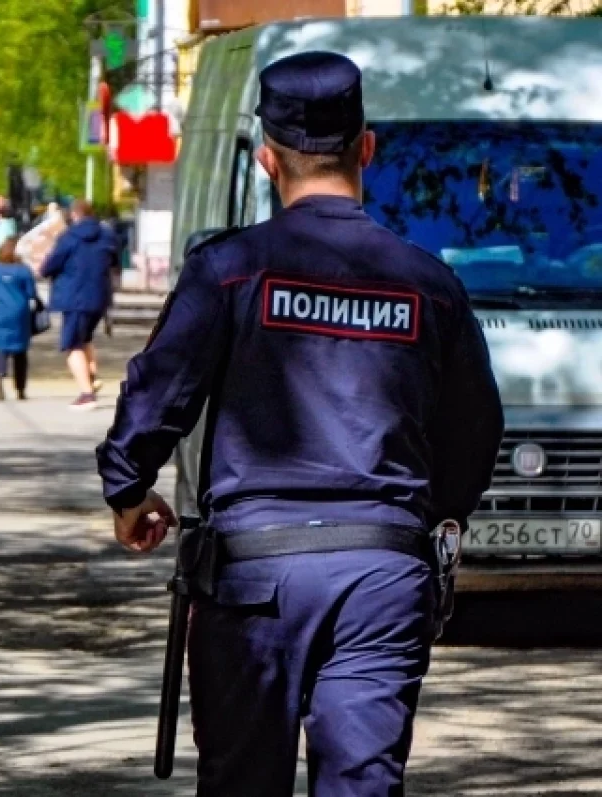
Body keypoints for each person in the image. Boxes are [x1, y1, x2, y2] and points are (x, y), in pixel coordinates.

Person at [96, 52, 503, 796]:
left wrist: (128, 488)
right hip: (382, 576)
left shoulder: (230, 268)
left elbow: (160, 388)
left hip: (254, 576)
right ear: (367, 148)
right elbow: (476, 427)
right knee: (363, 783)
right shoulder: (430, 284)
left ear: (266, 160)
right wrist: (430, 517)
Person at [40, 199, 117, 411]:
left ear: (74, 215)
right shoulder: (107, 235)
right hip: (100, 297)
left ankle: (86, 395)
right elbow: (114, 262)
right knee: (86, 338)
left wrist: (44, 265)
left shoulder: (69, 237)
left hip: (74, 298)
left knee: (72, 345)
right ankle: (91, 377)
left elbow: (49, 266)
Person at [0, 236, 38, 401]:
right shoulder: (23, 270)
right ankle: (20, 388)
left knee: (0, 347)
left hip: (0, 311)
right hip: (20, 312)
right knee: (20, 351)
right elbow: (31, 292)